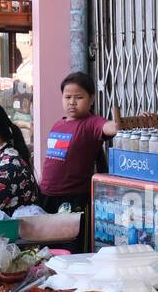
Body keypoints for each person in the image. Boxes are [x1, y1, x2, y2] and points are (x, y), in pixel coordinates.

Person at [39, 72, 118, 215]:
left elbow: (111, 127)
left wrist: (129, 124)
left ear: (91, 99)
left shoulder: (92, 122)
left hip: (73, 198)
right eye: (67, 97)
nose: (72, 102)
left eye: (79, 97)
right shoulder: (58, 124)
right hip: (46, 194)